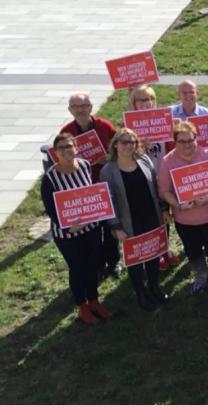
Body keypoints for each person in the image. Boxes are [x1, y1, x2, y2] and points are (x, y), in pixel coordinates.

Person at [40, 133, 111, 325]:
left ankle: (94, 300)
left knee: (94, 265)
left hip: (92, 228)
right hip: (68, 235)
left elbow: (90, 193)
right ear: (56, 153)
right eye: (62, 148)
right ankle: (82, 306)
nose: (67, 151)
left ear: (76, 148)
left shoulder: (85, 166)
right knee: (78, 268)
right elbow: (51, 209)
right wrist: (69, 226)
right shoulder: (50, 178)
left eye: (69, 146)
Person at [158, 121, 208, 294]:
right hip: (185, 220)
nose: (187, 145)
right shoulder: (168, 161)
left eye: (190, 140)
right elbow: (164, 191)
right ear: (175, 142)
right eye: (182, 141)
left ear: (196, 139)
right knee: (193, 251)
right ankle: (200, 277)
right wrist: (178, 204)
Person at [101, 128, 169, 311]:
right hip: (128, 222)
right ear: (115, 144)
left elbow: (155, 187)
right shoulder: (108, 170)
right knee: (135, 260)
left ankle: (154, 286)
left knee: (153, 254)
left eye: (132, 142)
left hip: (151, 216)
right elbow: (109, 201)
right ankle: (140, 292)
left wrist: (163, 209)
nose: (129, 146)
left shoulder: (144, 160)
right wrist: (115, 226)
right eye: (124, 142)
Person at [60, 92, 120, 278]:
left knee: (110, 228)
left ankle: (114, 261)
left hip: (106, 183)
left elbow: (118, 149)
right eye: (76, 107)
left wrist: (108, 158)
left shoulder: (105, 126)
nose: (80, 110)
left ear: (91, 107)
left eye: (84, 106)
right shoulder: (66, 131)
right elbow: (61, 159)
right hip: (83, 190)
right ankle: (98, 264)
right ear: (70, 110)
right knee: (92, 231)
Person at [127, 85, 181, 272]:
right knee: (150, 219)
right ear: (134, 103)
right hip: (141, 182)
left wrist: (174, 129)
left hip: (162, 177)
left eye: (150, 98)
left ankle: (164, 251)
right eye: (141, 99)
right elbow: (123, 156)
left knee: (164, 217)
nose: (147, 103)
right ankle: (154, 256)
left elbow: (172, 148)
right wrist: (138, 146)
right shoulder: (128, 126)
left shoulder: (162, 120)